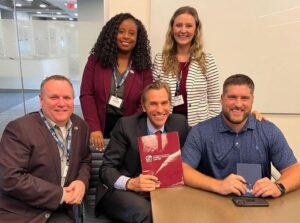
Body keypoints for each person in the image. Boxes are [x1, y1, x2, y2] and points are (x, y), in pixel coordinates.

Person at [182, 74, 300, 198]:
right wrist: (218, 185)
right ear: (221, 99)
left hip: (257, 208)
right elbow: (183, 170)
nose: (238, 104)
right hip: (211, 208)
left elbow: (295, 170)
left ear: (252, 100)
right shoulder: (201, 131)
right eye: (232, 97)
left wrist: (278, 186)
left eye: (245, 98)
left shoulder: (269, 131)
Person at [0, 75, 91, 223]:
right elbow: (10, 178)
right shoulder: (19, 129)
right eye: (54, 97)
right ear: (41, 100)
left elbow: (85, 160)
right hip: (23, 211)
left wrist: (81, 181)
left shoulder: (81, 126)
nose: (62, 103)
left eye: (67, 98)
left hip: (60, 210)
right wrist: (60, 194)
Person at [95, 81, 189, 223]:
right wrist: (131, 183)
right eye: (153, 104)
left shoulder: (180, 123)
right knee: (146, 211)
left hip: (162, 189)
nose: (160, 109)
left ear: (170, 105)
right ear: (144, 107)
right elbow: (106, 169)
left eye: (164, 103)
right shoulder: (125, 125)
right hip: (124, 189)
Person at [80, 13, 153, 151]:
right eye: (121, 31)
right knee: (100, 161)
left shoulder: (143, 66)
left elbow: (145, 102)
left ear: (138, 38)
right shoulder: (95, 60)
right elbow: (86, 95)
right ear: (112, 34)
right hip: (100, 123)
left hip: (129, 124)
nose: (126, 36)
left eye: (132, 33)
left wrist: (130, 129)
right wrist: (94, 128)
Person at [153, 6, 220, 127]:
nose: (183, 30)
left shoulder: (207, 60)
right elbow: (153, 95)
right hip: (166, 126)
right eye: (179, 25)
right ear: (172, 28)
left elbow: (214, 102)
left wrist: (209, 129)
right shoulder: (160, 59)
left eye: (189, 26)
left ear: (196, 30)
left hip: (199, 128)